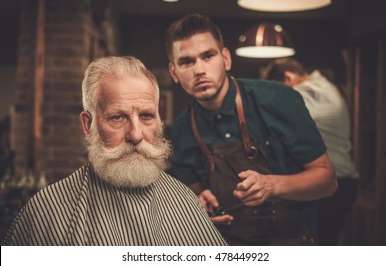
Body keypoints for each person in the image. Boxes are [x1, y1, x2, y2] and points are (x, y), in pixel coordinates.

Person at [1, 55, 227, 246]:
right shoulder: (47, 210)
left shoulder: (184, 199)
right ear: (88, 125)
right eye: (118, 117)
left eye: (146, 116)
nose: (136, 135)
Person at [164, 13, 337, 246]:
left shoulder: (277, 100)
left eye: (208, 56)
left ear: (226, 59)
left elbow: (327, 181)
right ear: (174, 72)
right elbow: (195, 193)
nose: (199, 70)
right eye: (187, 61)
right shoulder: (181, 130)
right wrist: (198, 206)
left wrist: (272, 185)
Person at [264, 57, 359, 245]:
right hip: (347, 180)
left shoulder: (305, 93)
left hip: (333, 182)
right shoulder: (325, 86)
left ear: (288, 77)